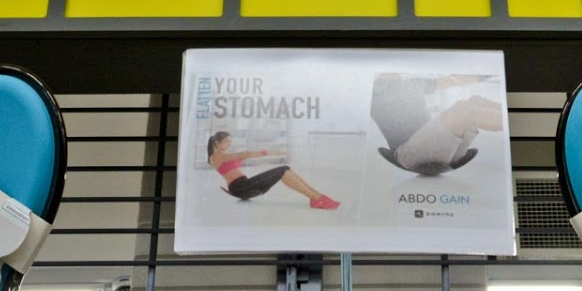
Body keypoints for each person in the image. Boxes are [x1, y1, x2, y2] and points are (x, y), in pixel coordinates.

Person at [371, 74, 505, 175]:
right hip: (408, 155)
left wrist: (484, 74)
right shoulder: (374, 90)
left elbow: (450, 80)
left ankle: (512, 115)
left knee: (476, 100)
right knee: (463, 110)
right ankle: (513, 123)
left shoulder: (412, 83)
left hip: (441, 149)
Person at [207, 131, 339, 209]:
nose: (229, 144)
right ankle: (316, 198)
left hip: (245, 185)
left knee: (286, 168)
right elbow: (246, 154)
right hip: (240, 187)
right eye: (226, 142)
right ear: (217, 143)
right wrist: (271, 152)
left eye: (230, 142)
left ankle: (317, 196)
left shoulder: (226, 156)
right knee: (282, 171)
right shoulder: (215, 157)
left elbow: (242, 157)